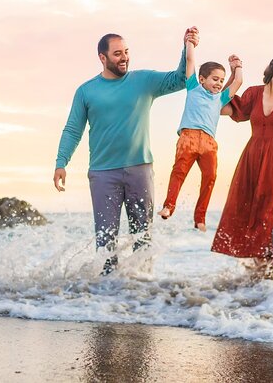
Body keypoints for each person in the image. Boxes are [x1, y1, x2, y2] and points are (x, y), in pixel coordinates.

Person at [53, 27, 200, 275]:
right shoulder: (86, 91)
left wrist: (187, 47)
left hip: (139, 170)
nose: (124, 58)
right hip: (102, 175)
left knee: (142, 238)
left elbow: (180, 79)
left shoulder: (143, 81)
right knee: (106, 241)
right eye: (118, 53)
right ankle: (108, 299)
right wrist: (61, 162)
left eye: (127, 52)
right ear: (103, 57)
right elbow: (72, 130)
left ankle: (140, 295)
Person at [211, 51, 273, 275]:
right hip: (252, 160)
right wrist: (235, 72)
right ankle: (258, 280)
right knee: (251, 215)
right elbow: (221, 106)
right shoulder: (254, 93)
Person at [158, 41, 243, 231]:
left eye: (221, 80)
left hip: (209, 143)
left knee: (210, 177)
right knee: (179, 172)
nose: (219, 83)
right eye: (215, 79)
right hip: (188, 138)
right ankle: (168, 206)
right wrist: (190, 43)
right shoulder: (193, 87)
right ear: (202, 79)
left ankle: (200, 218)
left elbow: (238, 81)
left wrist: (237, 66)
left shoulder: (220, 98)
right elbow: (189, 60)